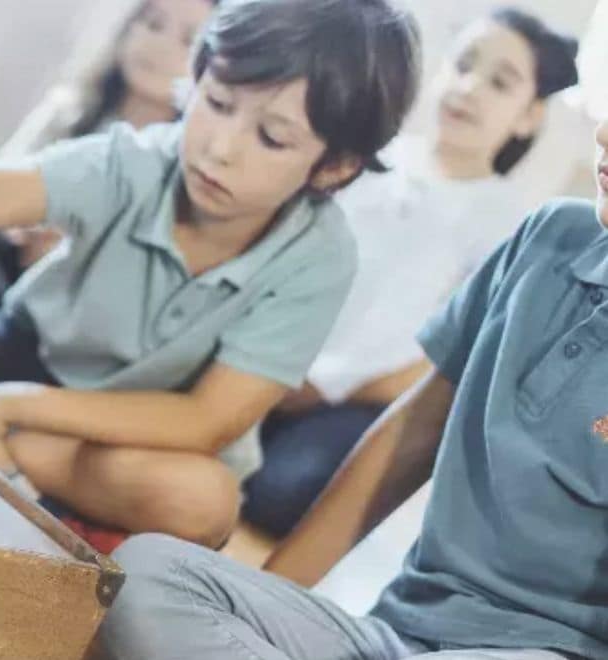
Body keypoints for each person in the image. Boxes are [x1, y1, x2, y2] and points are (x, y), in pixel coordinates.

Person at [0, 0, 422, 551]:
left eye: (271, 137)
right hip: (23, 358)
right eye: (215, 103)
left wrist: (11, 408)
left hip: (135, 433)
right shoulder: (134, 160)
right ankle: (13, 478)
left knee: (206, 500)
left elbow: (207, 420)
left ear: (335, 167)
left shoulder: (320, 257)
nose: (220, 148)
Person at [94, 118, 608, 660]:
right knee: (148, 572)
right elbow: (412, 432)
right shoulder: (547, 237)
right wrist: (276, 602)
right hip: (392, 635)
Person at [243, 7, 580, 538]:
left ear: (528, 115)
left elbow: (455, 358)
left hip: (361, 403)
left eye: (500, 82)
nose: (469, 88)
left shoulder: (508, 223)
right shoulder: (366, 158)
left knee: (279, 493)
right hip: (273, 360)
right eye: (463, 64)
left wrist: (332, 387)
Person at [0, 0, 219, 303]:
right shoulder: (71, 109)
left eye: (187, 40)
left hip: (69, 304)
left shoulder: (187, 166)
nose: (158, 44)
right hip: (5, 255)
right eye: (153, 23)